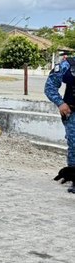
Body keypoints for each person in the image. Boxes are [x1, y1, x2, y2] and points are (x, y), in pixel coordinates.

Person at [44, 55, 75, 193]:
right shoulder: (68, 64)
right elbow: (50, 86)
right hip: (73, 114)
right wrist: (60, 103)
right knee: (74, 146)